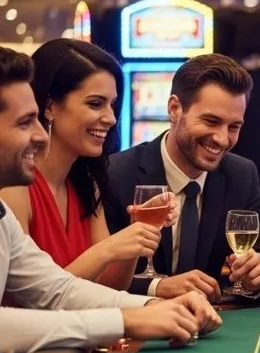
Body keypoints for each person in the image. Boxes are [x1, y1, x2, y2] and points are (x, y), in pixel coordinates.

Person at [0, 46, 220, 353]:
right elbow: (20, 313)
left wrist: (152, 305)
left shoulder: (80, 183)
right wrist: (125, 319)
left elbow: (54, 290)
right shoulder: (13, 191)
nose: (39, 136)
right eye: (25, 122)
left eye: (112, 104)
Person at [0, 39, 171, 291]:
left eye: (112, 105)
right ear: (50, 107)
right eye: (95, 103)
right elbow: (33, 297)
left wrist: (136, 235)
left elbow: (107, 289)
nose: (111, 118)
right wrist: (107, 249)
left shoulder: (87, 183)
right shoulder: (14, 186)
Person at [104, 54, 260, 301]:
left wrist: (254, 278)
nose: (223, 139)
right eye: (211, 121)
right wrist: (158, 287)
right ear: (174, 109)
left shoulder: (242, 175)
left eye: (233, 126)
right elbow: (96, 281)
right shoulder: (116, 173)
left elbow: (252, 269)